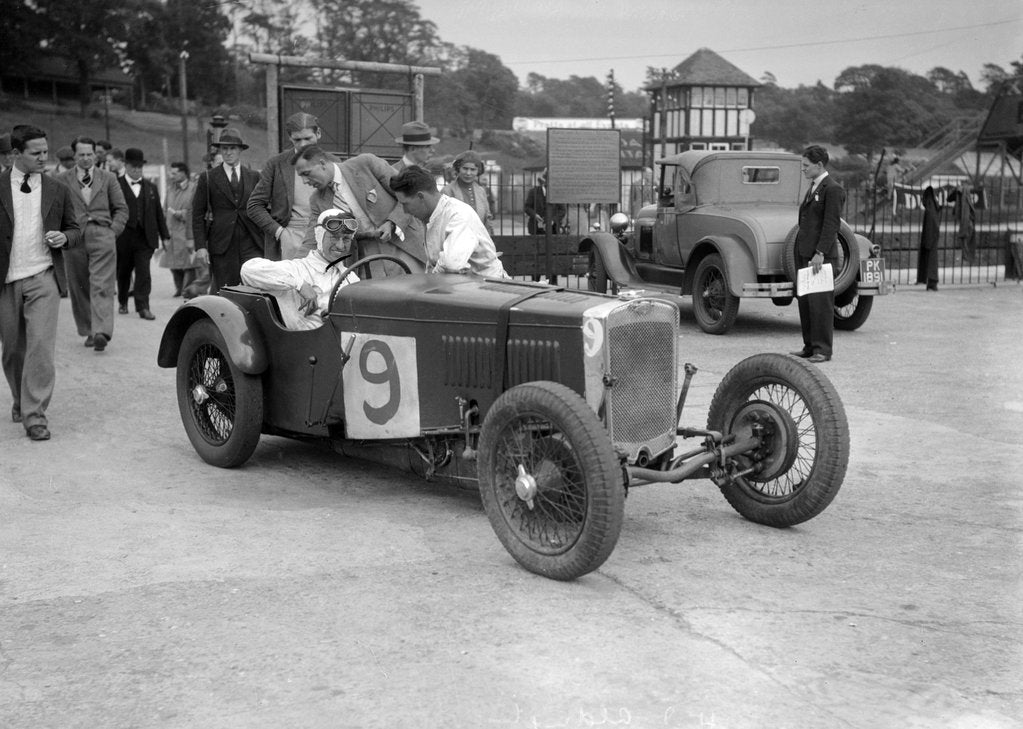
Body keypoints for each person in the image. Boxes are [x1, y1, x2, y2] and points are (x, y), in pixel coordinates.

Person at [0, 124, 82, 440]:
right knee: (12, 350)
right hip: (6, 281)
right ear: (15, 154)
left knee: (40, 348)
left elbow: (75, 229)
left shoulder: (57, 189)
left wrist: (65, 237)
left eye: (46, 151)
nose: (43, 157)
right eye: (36, 153)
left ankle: (35, 415)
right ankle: (20, 399)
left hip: (43, 276)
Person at [294, 145, 426, 278]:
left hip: (403, 245)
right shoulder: (317, 200)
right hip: (365, 262)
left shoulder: (366, 164)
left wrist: (392, 223)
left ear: (322, 164)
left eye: (306, 174)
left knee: (415, 288)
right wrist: (294, 270)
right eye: (301, 176)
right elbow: (311, 240)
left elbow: (409, 193)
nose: (304, 181)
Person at [56, 135, 128, 351]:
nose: (86, 158)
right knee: (79, 286)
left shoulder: (108, 178)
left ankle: (101, 332)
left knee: (102, 285)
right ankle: (88, 330)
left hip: (102, 235)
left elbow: (121, 208)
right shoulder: (61, 179)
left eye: (90, 154)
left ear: (96, 155)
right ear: (74, 156)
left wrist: (112, 232)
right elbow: (54, 210)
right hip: (74, 238)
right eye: (82, 154)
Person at [240, 207, 360, 330]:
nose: (340, 245)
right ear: (320, 236)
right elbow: (248, 270)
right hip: (304, 340)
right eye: (334, 237)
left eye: (346, 239)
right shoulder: (297, 269)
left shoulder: (351, 278)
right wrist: (300, 285)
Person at [390, 165, 508, 278]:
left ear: (421, 197)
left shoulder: (459, 215)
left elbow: (451, 265)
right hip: (464, 285)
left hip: (489, 287)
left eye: (405, 204)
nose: (405, 211)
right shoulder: (432, 215)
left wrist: (430, 279)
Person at [790, 145, 844, 364]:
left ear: (819, 165)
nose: (803, 169)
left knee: (820, 304)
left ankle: (822, 349)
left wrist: (820, 252)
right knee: (806, 302)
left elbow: (831, 224)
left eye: (806, 165)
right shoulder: (814, 187)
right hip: (805, 253)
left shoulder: (832, 189)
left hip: (819, 256)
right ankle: (810, 346)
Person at [247, 112, 325, 261]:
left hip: (324, 238)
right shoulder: (276, 164)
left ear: (318, 134)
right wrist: (280, 233)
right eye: (297, 140)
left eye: (308, 138)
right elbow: (254, 205)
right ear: (290, 137)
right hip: (291, 239)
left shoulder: (332, 162)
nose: (303, 145)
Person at [191, 128, 262, 289]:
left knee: (253, 288)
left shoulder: (253, 176)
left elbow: (263, 208)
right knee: (224, 289)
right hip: (222, 244)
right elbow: (197, 214)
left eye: (232, 148)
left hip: (251, 242)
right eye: (224, 148)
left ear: (240, 150)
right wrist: (201, 246)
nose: (228, 152)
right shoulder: (208, 177)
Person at [116, 148, 169, 320]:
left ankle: (143, 306)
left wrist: (165, 236)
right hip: (123, 238)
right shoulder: (115, 185)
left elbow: (158, 214)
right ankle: (123, 301)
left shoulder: (151, 187)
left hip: (145, 238)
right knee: (123, 272)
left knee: (143, 272)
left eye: (139, 167)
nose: (137, 170)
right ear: (125, 166)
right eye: (133, 167)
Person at [161, 161, 198, 297]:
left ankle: (187, 289)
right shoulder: (170, 189)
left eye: (174, 173)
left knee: (189, 264)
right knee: (173, 263)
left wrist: (181, 214)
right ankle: (179, 287)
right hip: (171, 232)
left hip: (185, 231)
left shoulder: (193, 188)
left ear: (183, 173)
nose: (171, 176)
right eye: (171, 173)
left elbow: (195, 210)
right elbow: (165, 209)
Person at [441, 150, 494, 235]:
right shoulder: (448, 191)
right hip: (455, 238)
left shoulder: (481, 191)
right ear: (458, 169)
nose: (468, 173)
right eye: (465, 168)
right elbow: (442, 220)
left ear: (478, 171)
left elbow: (487, 218)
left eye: (473, 170)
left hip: (479, 238)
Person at [524, 168, 567, 234]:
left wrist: (553, 220)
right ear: (545, 179)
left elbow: (562, 210)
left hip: (553, 229)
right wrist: (535, 215)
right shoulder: (533, 191)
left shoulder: (557, 193)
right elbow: (527, 207)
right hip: (535, 228)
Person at [916, 185, 940, 291]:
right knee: (931, 261)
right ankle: (930, 282)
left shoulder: (930, 207)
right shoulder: (932, 206)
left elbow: (930, 224)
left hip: (930, 239)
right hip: (932, 238)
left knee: (931, 262)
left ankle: (932, 282)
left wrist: (927, 241)